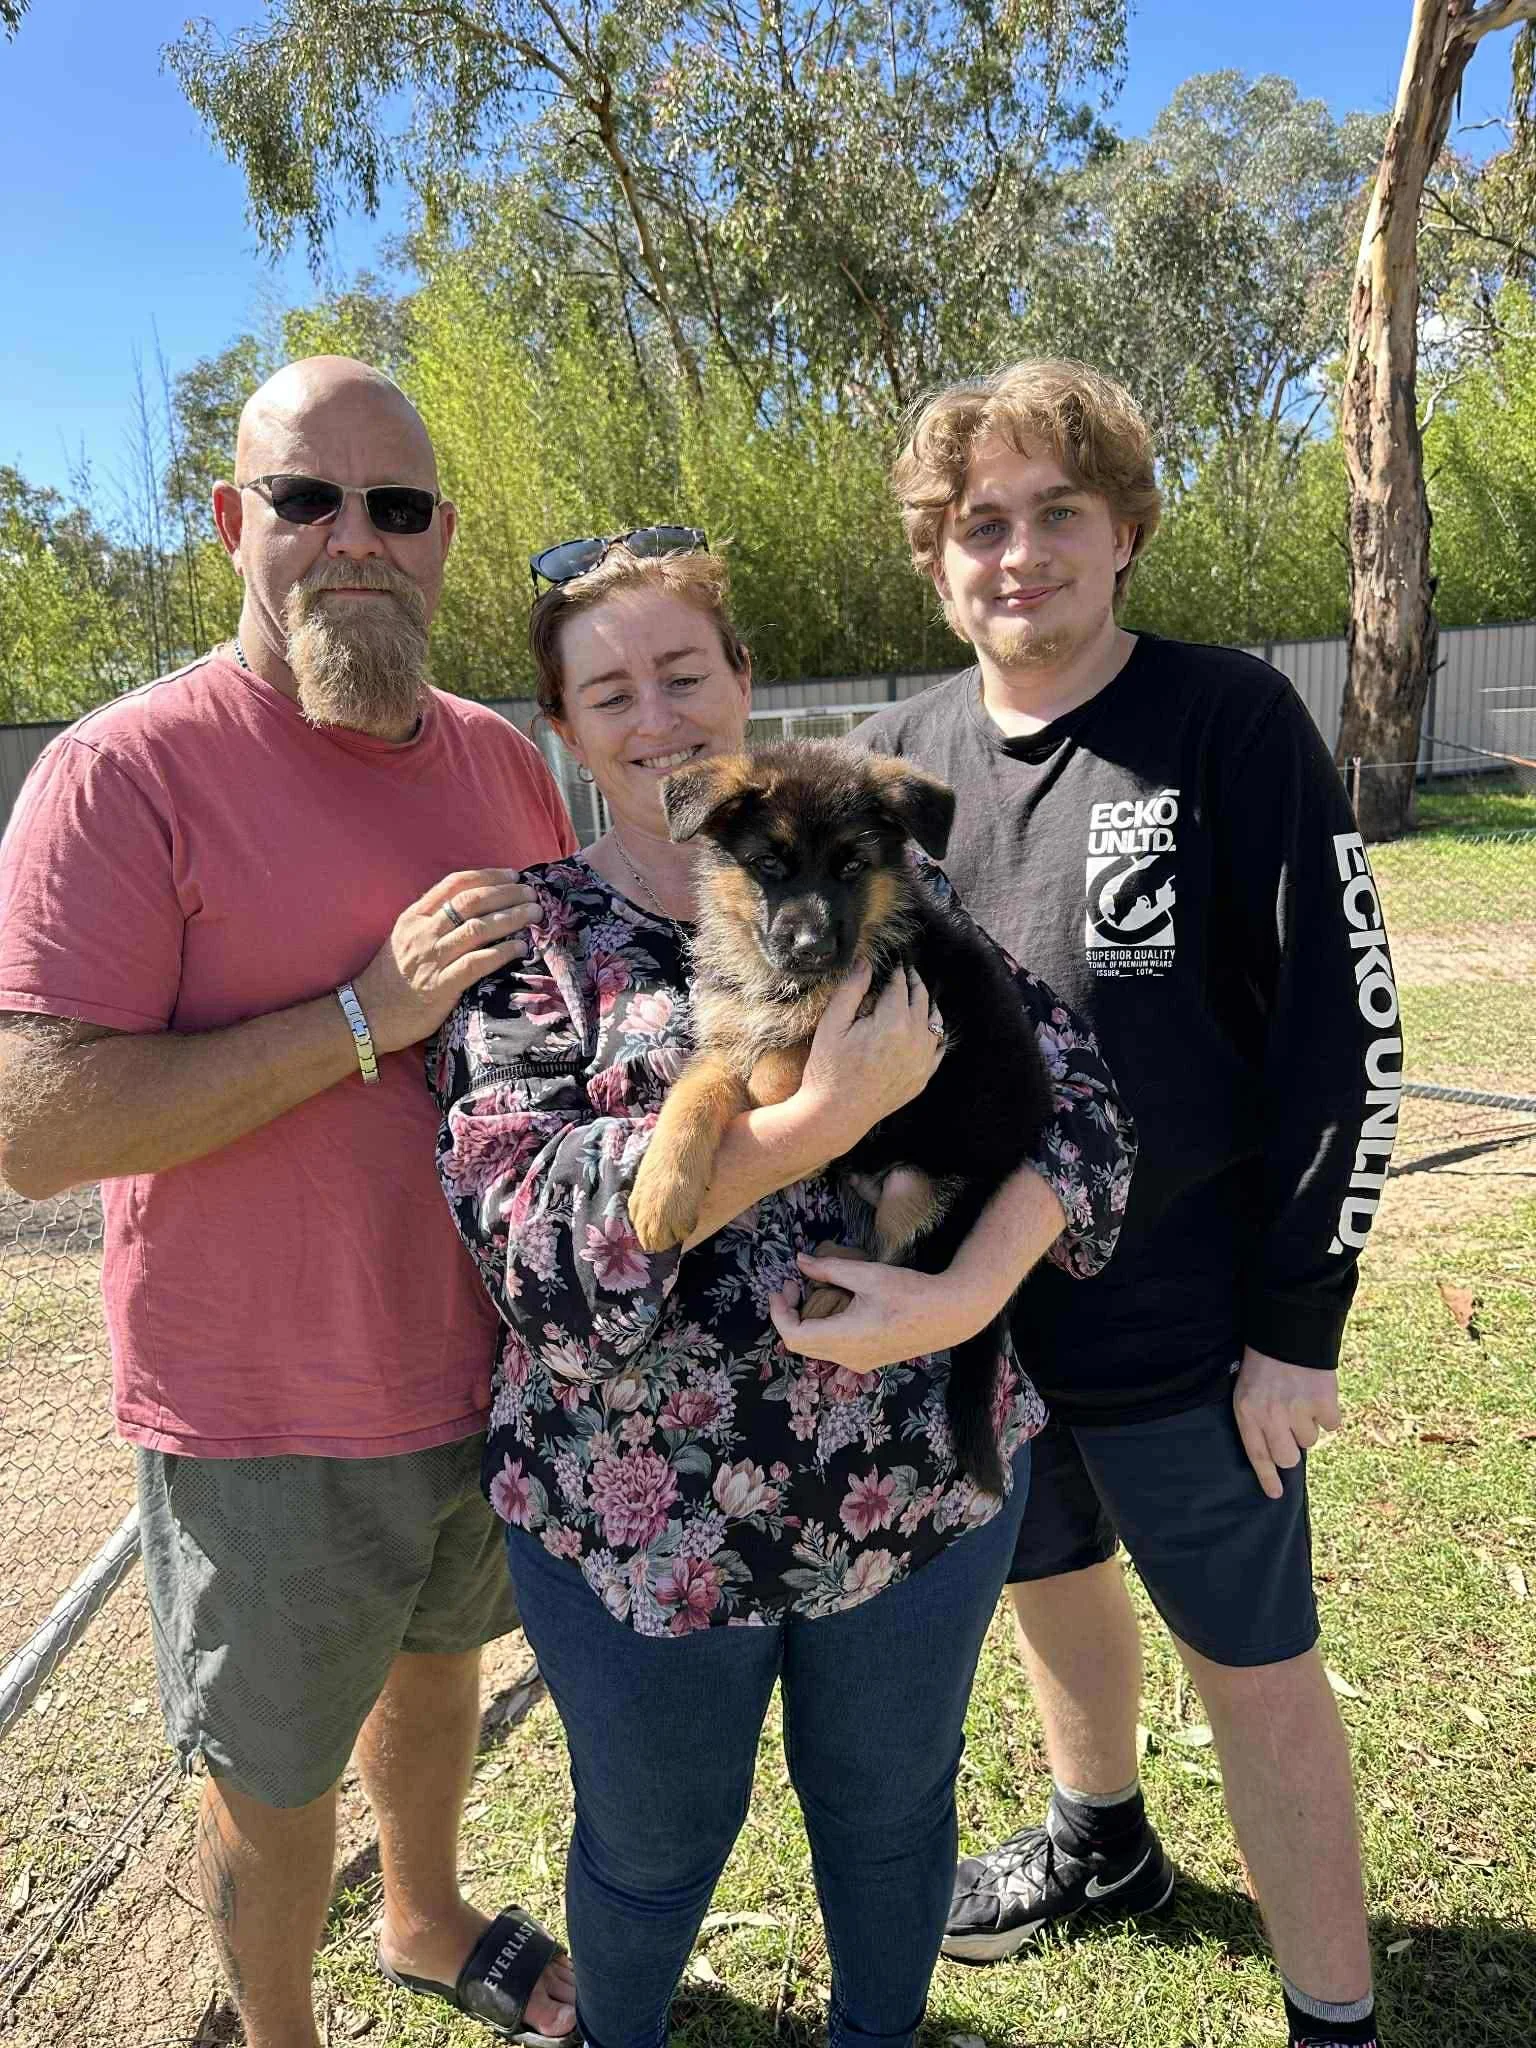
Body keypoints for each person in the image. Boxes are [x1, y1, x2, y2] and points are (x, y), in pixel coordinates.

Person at [426, 533, 1136, 2048]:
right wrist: (814, 1125)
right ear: (563, 727)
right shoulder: (530, 941)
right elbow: (542, 1259)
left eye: (686, 671)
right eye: (608, 690)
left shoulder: (894, 871)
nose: (657, 713)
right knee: (652, 1849)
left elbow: (1076, 1106)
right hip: (643, 1526)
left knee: (890, 1825)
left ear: (743, 681)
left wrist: (963, 1298)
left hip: (917, 1490)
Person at [0, 358, 581, 2048]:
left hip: (482, 1362)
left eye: (394, 508)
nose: (353, 542)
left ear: (444, 538)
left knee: (438, 1662)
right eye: (303, 501)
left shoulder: (500, 766)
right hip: (257, 1403)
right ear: (227, 522)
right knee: (265, 1761)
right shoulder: (124, 777)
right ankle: (278, 2032)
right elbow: (32, 1132)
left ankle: (421, 1916)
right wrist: (356, 1019)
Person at [852, 359, 1398, 2048]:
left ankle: (1335, 2012)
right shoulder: (898, 761)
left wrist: (1296, 1333)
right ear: (938, 560)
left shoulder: (1229, 721)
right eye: (980, 525)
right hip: (980, 1329)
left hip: (1189, 1327)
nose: (1018, 555)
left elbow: (1345, 1033)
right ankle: (1102, 1845)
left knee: (1257, 1670)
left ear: (1126, 531)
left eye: (1056, 514)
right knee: (1049, 1582)